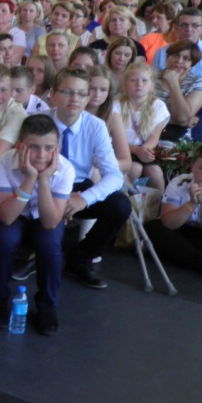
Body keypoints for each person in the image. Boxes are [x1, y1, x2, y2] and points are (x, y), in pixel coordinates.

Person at [0, 115, 75, 335]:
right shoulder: (2, 163)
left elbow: (51, 222)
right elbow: (6, 216)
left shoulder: (65, 169)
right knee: (4, 239)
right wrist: (29, 179)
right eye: (34, 147)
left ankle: (47, 305)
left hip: (43, 217)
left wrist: (43, 180)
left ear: (57, 148)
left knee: (50, 244)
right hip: (15, 215)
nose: (42, 155)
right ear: (19, 146)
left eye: (49, 148)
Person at [48, 68, 130, 289]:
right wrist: (57, 197)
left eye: (82, 94)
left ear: (87, 99)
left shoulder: (95, 126)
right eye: (67, 92)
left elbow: (114, 175)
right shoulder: (39, 121)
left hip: (79, 185)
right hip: (44, 185)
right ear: (53, 94)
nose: (75, 99)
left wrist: (84, 198)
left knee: (120, 205)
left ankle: (81, 257)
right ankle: (30, 254)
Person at [145, 143, 202, 274]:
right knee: (152, 227)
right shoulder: (180, 183)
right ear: (192, 167)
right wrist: (192, 202)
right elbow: (168, 223)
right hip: (180, 230)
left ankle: (178, 255)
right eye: (201, 168)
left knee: (180, 245)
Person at [115, 62, 169, 190]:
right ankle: (131, 199)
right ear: (125, 84)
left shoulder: (158, 106)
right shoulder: (116, 105)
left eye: (144, 80)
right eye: (133, 80)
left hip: (146, 149)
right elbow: (114, 139)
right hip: (123, 149)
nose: (139, 84)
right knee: (134, 168)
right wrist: (136, 151)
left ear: (151, 85)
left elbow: (155, 135)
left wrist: (144, 149)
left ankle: (160, 201)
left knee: (155, 172)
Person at [154, 40, 202, 142]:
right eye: (175, 55)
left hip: (180, 139)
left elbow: (181, 117)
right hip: (144, 132)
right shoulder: (149, 78)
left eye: (186, 58)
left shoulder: (199, 82)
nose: (179, 61)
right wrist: (173, 121)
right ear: (167, 57)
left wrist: (173, 83)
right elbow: (137, 112)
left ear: (192, 63)